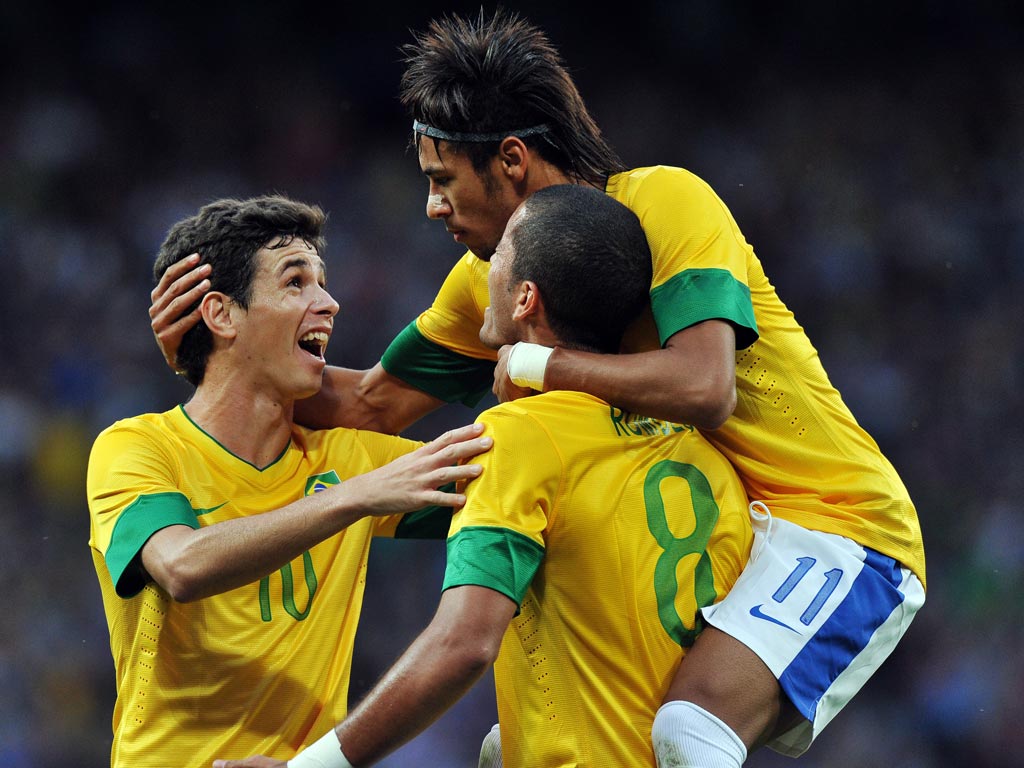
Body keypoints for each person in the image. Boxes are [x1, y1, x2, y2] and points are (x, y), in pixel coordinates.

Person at [152, 10, 926, 766]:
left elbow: (704, 386)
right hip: (705, 526)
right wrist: (216, 352)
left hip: (834, 524)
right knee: (523, 745)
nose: (432, 207)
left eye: (443, 180)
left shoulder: (665, 204)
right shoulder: (486, 281)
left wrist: (536, 367)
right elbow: (367, 403)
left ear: (512, 162)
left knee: (689, 731)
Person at [213, 182, 753, 768]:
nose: (481, 267)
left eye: (497, 257)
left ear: (524, 299)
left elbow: (463, 644)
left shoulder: (518, 439)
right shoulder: (701, 447)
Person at [86, 194, 493, 768]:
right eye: (296, 282)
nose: (328, 303)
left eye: (322, 283)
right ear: (221, 314)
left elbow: (518, 486)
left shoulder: (348, 456)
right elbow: (182, 566)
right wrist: (353, 498)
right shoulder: (138, 447)